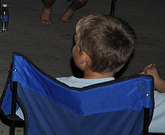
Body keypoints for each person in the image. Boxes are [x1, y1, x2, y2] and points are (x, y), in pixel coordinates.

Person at [17, 14, 164, 133]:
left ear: (83, 57)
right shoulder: (143, 98)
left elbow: (16, 111)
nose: (73, 47)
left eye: (75, 44)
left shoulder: (51, 89)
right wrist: (159, 83)